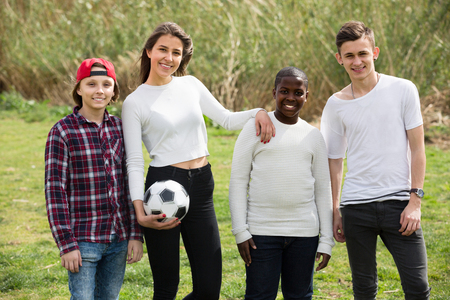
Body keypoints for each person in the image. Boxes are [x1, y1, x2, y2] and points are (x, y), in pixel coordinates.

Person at [121, 22, 275, 300]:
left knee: (208, 289)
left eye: (176, 53)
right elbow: (133, 160)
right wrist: (139, 210)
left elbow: (226, 119)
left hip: (202, 184)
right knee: (166, 287)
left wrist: (259, 111)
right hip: (162, 187)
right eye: (162, 50)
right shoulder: (135, 102)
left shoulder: (190, 84)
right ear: (148, 52)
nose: (169, 58)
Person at [320, 21, 431, 299]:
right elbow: (334, 161)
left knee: (417, 287)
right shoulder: (335, 104)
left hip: (400, 205)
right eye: (349, 56)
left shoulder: (404, 89)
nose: (357, 62)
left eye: (363, 54)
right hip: (356, 208)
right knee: (364, 289)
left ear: (375, 52)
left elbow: (418, 148)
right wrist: (335, 210)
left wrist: (414, 202)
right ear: (339, 59)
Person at [228, 66, 334, 300]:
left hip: (304, 235)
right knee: (259, 296)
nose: (291, 97)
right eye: (284, 91)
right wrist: (241, 232)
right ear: (274, 92)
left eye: (298, 92)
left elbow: (323, 190)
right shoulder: (254, 130)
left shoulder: (313, 136)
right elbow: (237, 182)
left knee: (299, 296)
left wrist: (326, 240)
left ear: (307, 96)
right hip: (261, 234)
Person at [45, 58, 144, 299]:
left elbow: (131, 184)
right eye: (91, 84)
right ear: (79, 89)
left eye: (106, 85)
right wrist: (66, 244)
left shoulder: (121, 128)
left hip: (119, 239)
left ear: (114, 91)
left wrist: (135, 234)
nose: (99, 90)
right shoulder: (62, 132)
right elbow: (55, 192)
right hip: (83, 240)